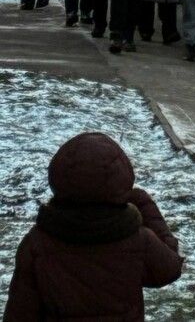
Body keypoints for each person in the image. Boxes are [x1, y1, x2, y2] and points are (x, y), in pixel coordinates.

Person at [3, 131, 182, 321]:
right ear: (122, 177)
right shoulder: (138, 239)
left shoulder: (37, 243)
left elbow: (19, 312)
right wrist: (145, 205)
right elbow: (169, 269)